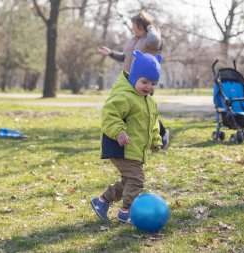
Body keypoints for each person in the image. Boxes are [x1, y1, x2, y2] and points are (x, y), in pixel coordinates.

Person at [90, 50, 163, 223]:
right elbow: (110, 115)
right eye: (144, 82)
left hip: (135, 149)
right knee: (137, 180)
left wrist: (155, 140)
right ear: (134, 77)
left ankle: (102, 201)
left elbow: (153, 123)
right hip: (122, 147)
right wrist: (119, 132)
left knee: (128, 181)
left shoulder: (149, 101)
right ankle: (126, 211)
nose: (148, 87)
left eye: (153, 83)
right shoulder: (124, 97)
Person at [98, 11, 169, 149]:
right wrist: (111, 53)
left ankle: (161, 134)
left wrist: (151, 27)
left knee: (144, 111)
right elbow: (126, 57)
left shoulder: (151, 39)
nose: (132, 29)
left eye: (135, 26)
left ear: (142, 26)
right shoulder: (133, 39)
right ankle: (125, 137)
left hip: (145, 81)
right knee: (131, 110)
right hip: (130, 80)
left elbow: (155, 40)